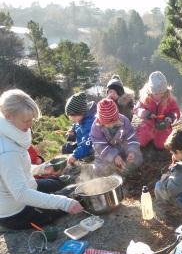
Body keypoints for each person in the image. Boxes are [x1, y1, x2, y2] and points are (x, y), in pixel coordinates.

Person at [0, 89, 83, 230]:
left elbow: (20, 168)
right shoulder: (6, 151)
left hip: (29, 184)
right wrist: (65, 203)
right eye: (26, 121)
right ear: (8, 116)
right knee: (75, 198)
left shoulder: (12, 133)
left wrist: (42, 168)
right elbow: (21, 194)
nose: (30, 124)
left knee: (60, 183)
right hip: (16, 211)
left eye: (32, 119)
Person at [90, 98, 143, 176]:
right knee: (100, 168)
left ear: (117, 117)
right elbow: (99, 146)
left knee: (137, 158)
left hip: (123, 149)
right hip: (105, 153)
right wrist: (114, 156)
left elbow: (132, 138)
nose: (111, 125)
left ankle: (126, 170)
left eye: (113, 122)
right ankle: (114, 170)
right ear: (100, 120)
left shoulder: (124, 121)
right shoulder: (96, 127)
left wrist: (132, 151)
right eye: (107, 123)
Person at [133, 71, 180, 150]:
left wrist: (170, 118)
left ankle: (158, 146)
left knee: (163, 145)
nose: (159, 96)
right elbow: (137, 109)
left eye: (161, 93)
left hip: (163, 126)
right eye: (156, 94)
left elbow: (176, 111)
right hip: (148, 125)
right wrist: (146, 114)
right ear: (150, 91)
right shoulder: (145, 98)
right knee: (140, 141)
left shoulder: (169, 99)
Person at [62, 92, 96, 165]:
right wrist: (72, 129)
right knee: (66, 147)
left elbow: (87, 143)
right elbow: (76, 124)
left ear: (80, 112)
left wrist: (75, 155)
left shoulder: (90, 123)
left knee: (87, 157)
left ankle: (85, 161)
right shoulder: (80, 118)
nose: (71, 119)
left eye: (72, 116)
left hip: (91, 148)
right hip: (81, 144)